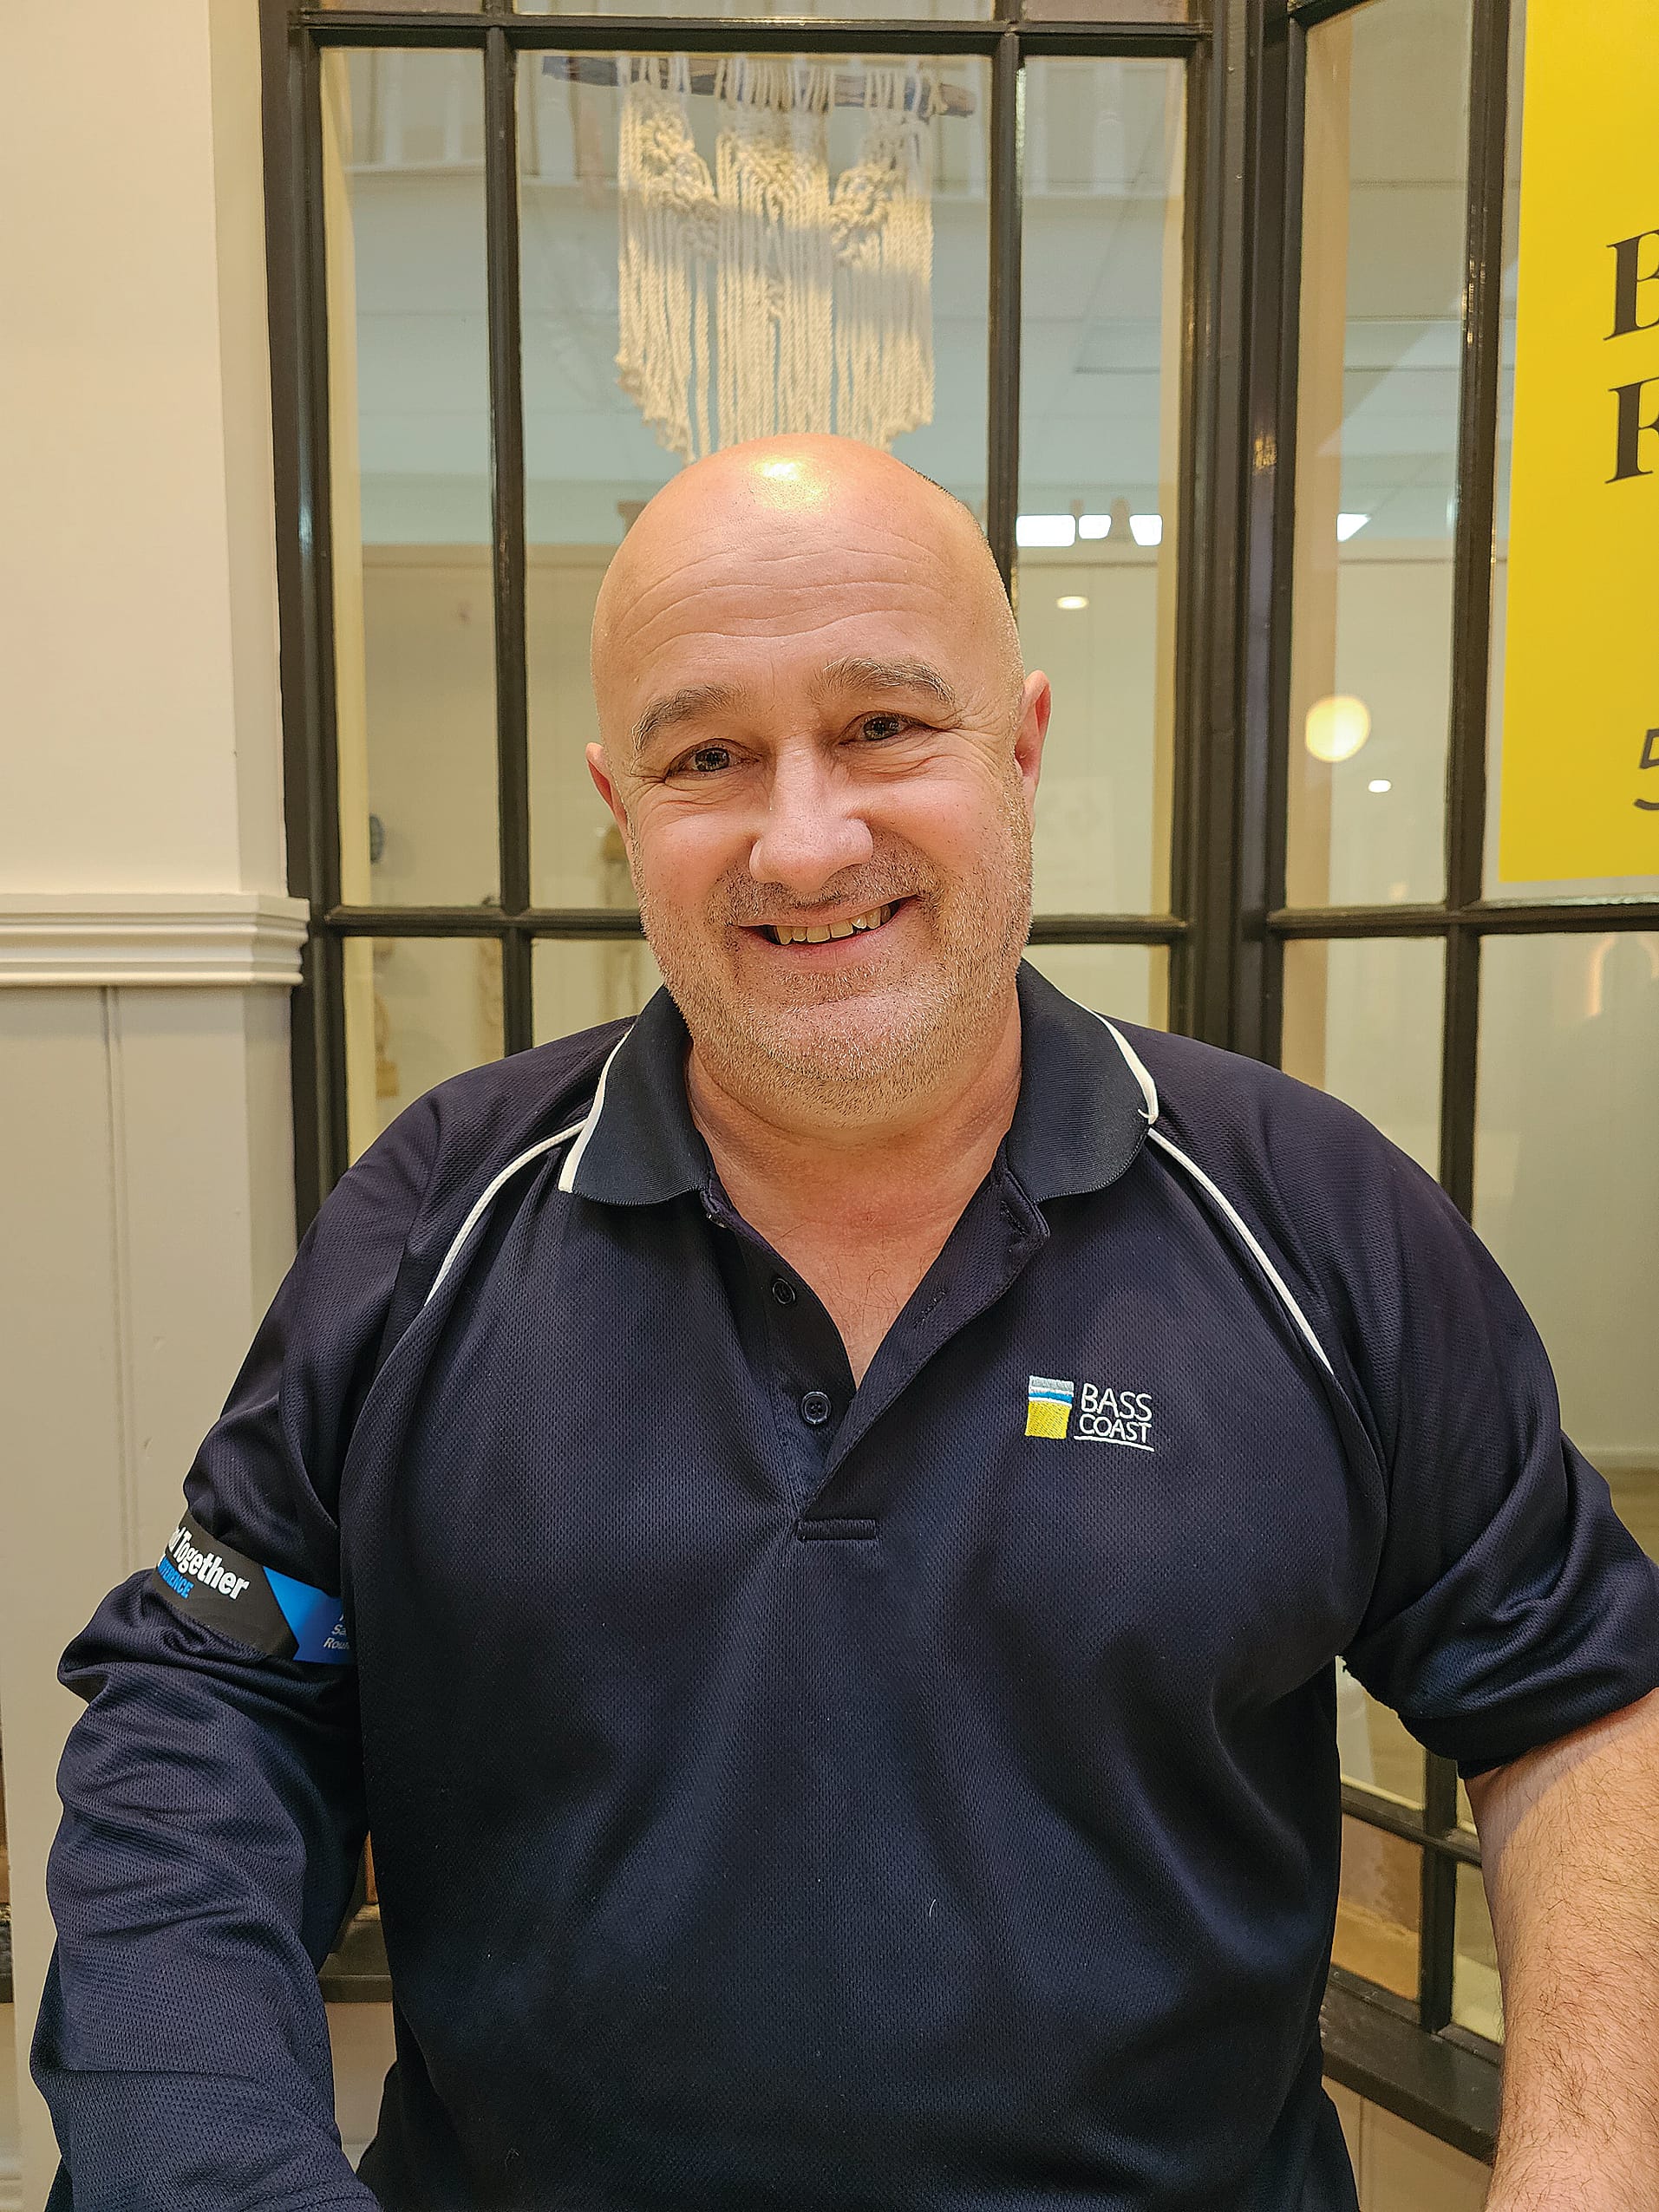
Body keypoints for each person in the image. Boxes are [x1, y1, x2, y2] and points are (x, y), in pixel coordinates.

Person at [33, 435, 1659, 2211]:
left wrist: (1583, 2166)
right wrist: (209, 2166)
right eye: (708, 754)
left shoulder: (1309, 1215)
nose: (805, 840)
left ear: (1022, 743)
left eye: (885, 727)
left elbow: (1580, 1707)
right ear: (622, 802)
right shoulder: (438, 1209)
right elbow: (212, 1692)